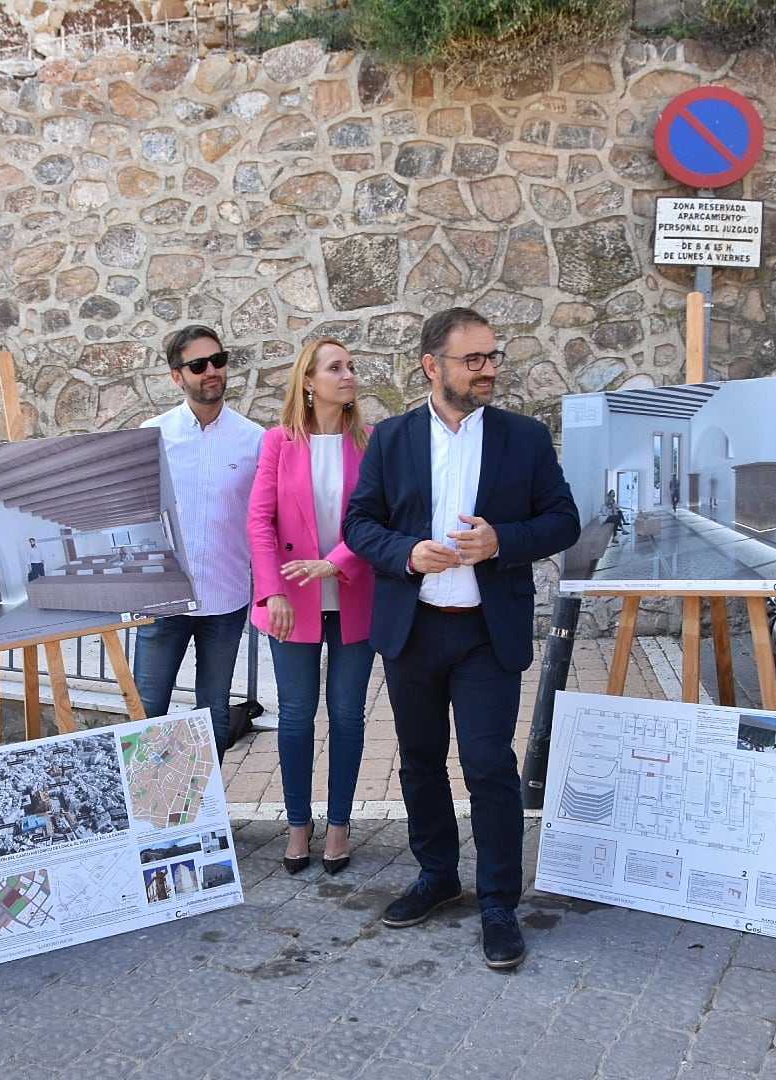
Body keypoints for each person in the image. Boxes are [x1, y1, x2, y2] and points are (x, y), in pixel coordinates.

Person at [344, 307, 579, 970]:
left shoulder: (523, 438)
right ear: (432, 366)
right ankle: (437, 875)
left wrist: (503, 540)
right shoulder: (390, 439)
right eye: (474, 359)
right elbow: (360, 524)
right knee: (419, 762)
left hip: (485, 632)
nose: (489, 369)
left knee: (487, 766)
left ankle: (499, 901)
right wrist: (405, 553)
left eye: (493, 357)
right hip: (413, 629)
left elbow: (563, 520)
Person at [247, 338, 376, 876]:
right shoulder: (279, 442)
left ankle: (340, 825)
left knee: (347, 715)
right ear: (308, 381)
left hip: (354, 595)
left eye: (350, 366)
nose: (348, 375)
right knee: (297, 716)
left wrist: (337, 561)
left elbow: (380, 519)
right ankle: (298, 823)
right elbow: (259, 521)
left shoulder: (370, 443)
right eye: (335, 368)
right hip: (291, 603)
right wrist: (273, 589)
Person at [136, 325, 263, 758]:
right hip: (163, 600)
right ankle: (149, 822)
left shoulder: (255, 440)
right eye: (198, 364)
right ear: (177, 376)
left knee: (214, 714)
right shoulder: (150, 435)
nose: (212, 371)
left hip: (226, 599)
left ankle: (206, 818)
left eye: (219, 360)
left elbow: (263, 518)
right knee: (147, 713)